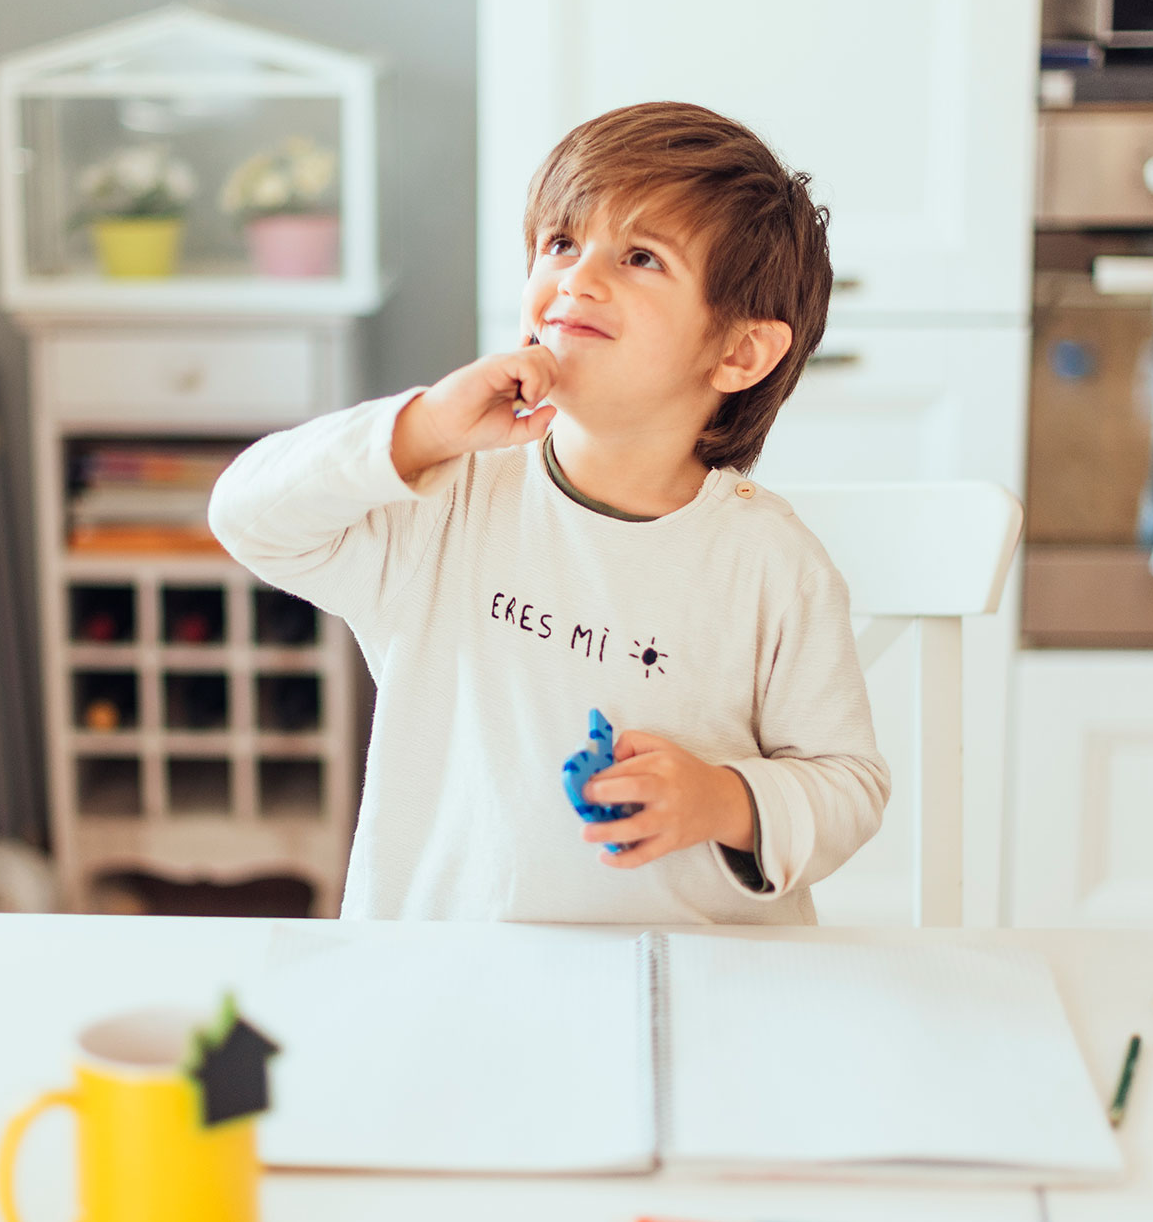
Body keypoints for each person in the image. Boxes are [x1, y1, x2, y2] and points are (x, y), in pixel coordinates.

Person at [207, 100, 889, 923]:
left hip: (694, 984)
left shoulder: (773, 565)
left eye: (640, 257)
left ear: (738, 351)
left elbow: (848, 784)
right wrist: (420, 429)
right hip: (453, 976)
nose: (576, 277)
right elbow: (248, 514)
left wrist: (722, 799)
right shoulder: (446, 499)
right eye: (562, 243)